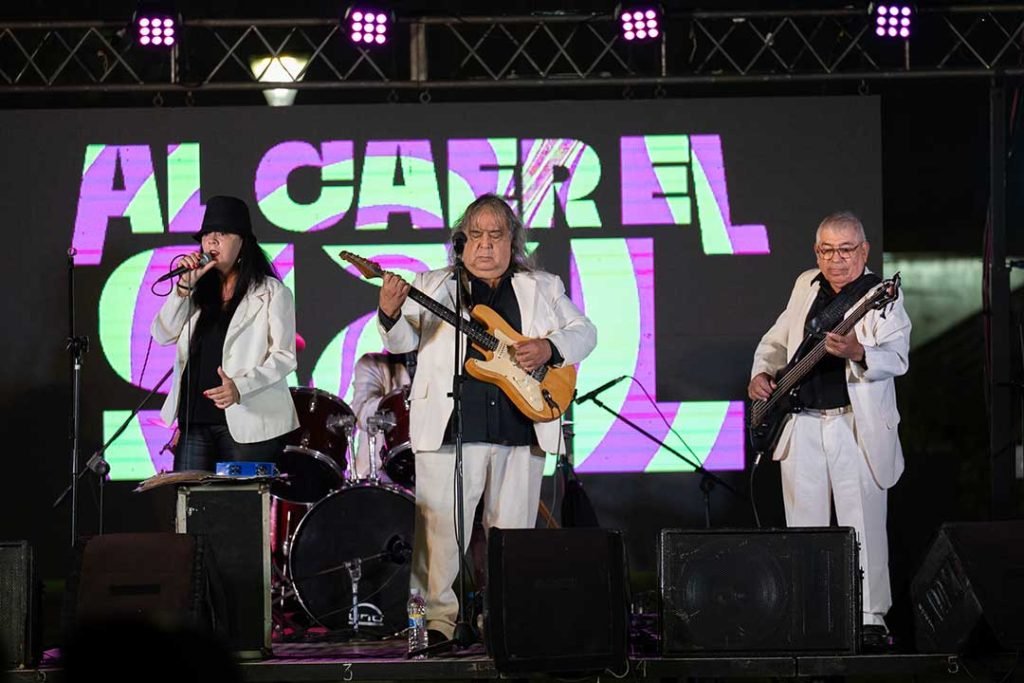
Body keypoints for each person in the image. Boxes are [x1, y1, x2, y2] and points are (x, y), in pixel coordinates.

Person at [377, 193, 597, 642]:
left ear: (512, 242)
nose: (485, 245)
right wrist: (390, 311)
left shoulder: (543, 286)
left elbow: (585, 333)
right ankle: (433, 626)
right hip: (451, 427)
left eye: (496, 235)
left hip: (521, 425)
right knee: (438, 536)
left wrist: (549, 348)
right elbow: (401, 342)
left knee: (512, 537)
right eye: (475, 235)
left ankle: (506, 622)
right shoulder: (434, 284)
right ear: (461, 241)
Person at [748, 211, 911, 646]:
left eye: (845, 249)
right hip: (801, 422)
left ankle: (870, 617)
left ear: (864, 251)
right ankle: (809, 613)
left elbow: (898, 356)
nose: (835, 259)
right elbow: (776, 339)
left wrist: (859, 351)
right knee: (805, 525)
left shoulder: (881, 295)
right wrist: (761, 372)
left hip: (853, 424)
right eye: (826, 250)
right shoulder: (806, 284)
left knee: (862, 524)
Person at [151, 195, 299, 472]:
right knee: (189, 495)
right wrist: (183, 287)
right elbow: (162, 334)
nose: (212, 241)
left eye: (222, 234)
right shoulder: (196, 291)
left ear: (243, 243)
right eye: (207, 235)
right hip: (194, 419)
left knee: (240, 497)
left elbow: (284, 357)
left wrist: (239, 387)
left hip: (248, 420)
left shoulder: (272, 292)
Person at [349, 350, 415, 480]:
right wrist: (403, 399)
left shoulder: (437, 368)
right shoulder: (372, 363)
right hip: (378, 473)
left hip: (425, 466)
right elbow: (362, 415)